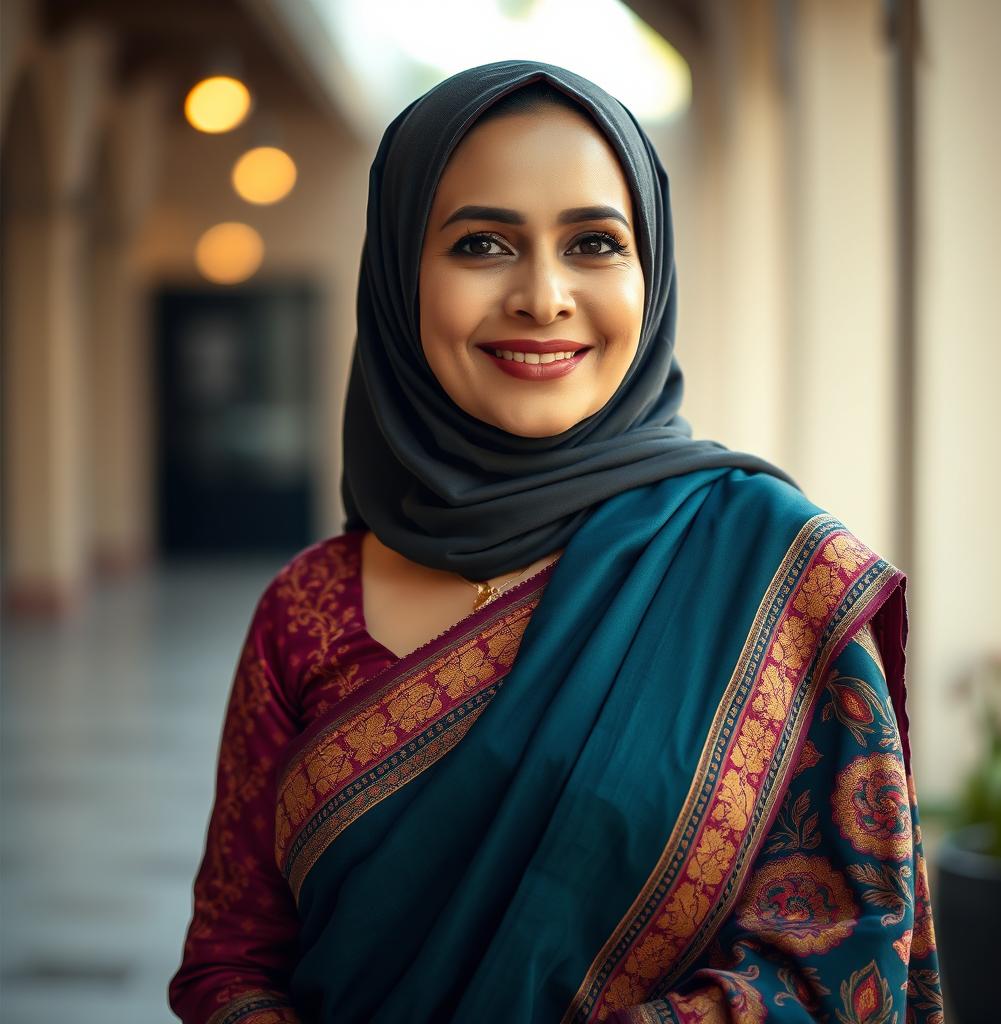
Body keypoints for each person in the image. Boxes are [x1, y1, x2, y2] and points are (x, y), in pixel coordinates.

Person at [169, 61, 943, 1024]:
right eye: (482, 243)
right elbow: (230, 961)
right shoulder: (308, 607)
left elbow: (848, 962)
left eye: (593, 243)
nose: (543, 296)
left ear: (651, 275)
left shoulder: (775, 575)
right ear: (400, 275)